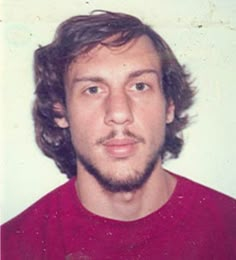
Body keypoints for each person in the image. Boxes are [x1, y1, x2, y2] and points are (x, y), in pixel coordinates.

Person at [1, 10, 236, 260]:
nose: (119, 113)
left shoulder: (229, 230)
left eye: (139, 86)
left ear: (170, 106)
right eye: (93, 89)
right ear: (61, 112)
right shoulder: (12, 248)